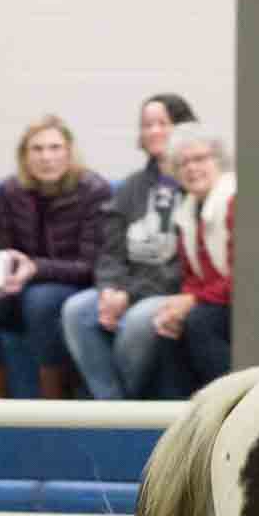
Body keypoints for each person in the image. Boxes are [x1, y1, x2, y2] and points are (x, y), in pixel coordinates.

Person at [0, 115, 112, 398]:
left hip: (73, 282)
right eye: (37, 149)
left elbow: (92, 264)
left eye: (55, 148)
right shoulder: (9, 190)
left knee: (40, 301)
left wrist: (36, 268)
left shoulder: (94, 190)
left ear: (69, 152)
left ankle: (55, 400)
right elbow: (0, 247)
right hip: (21, 282)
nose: (46, 157)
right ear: (25, 156)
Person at [61, 94, 195, 399]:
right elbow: (110, 250)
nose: (154, 131)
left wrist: (129, 294)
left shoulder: (194, 183)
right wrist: (110, 288)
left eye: (162, 123)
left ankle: (115, 407)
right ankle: (111, 404)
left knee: (138, 321)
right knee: (76, 310)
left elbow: (184, 264)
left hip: (171, 292)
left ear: (183, 127)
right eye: (147, 124)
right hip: (128, 287)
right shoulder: (131, 187)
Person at [149, 122, 236, 388]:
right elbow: (192, 277)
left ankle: (230, 400)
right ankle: (179, 408)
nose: (191, 168)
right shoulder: (187, 210)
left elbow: (244, 278)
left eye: (199, 159)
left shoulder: (234, 200)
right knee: (167, 324)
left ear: (219, 160)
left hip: (242, 303)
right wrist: (180, 304)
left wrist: (193, 300)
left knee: (200, 321)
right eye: (183, 163)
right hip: (216, 300)